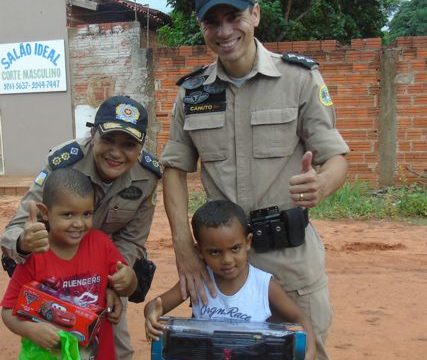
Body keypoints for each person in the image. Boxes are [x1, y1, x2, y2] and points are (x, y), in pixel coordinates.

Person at [160, 1, 350, 359]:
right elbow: (174, 168)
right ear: (202, 28)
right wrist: (183, 246)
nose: (225, 31)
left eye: (234, 17)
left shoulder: (299, 79)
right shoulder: (193, 92)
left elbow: (335, 157)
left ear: (256, 15)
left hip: (290, 261)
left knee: (303, 352)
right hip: (225, 266)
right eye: (212, 22)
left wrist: (322, 184)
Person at [0, 95, 161, 360]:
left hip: (103, 270)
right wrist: (24, 242)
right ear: (93, 133)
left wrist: (116, 280)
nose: (116, 153)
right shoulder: (65, 162)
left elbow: (132, 241)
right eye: (108, 139)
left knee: (118, 352)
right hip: (54, 272)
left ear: (141, 147)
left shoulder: (147, 176)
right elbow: (15, 229)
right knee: (58, 348)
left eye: (129, 145)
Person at [145, 200, 316, 360]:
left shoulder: (264, 284)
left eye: (235, 248)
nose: (227, 260)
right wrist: (152, 314)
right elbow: (155, 306)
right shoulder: (197, 282)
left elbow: (299, 317)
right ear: (199, 252)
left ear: (248, 242)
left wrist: (310, 350)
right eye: (214, 252)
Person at [1, 168, 137, 360]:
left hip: (97, 353)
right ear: (45, 213)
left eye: (87, 214)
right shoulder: (36, 255)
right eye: (68, 215)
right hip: (51, 355)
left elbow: (127, 287)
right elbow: (8, 309)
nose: (79, 223)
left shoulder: (101, 244)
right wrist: (30, 330)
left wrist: (129, 278)